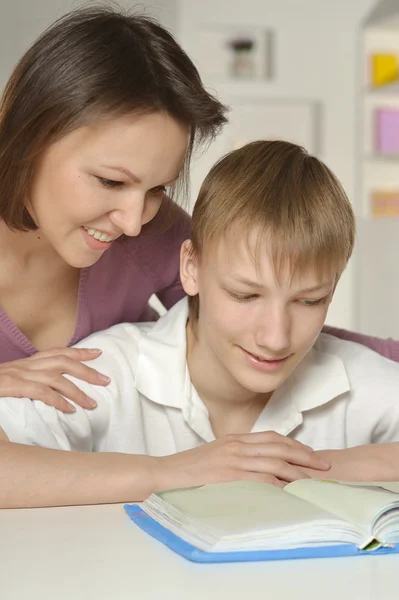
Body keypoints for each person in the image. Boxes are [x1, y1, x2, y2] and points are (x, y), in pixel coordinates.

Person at [1, 139, 399, 509]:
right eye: (245, 295)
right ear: (190, 267)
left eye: (310, 301)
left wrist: (297, 470)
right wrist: (176, 472)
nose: (275, 338)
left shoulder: (356, 375)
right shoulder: (106, 372)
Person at [0, 5, 226, 411]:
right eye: (111, 181)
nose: (134, 223)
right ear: (29, 138)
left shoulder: (162, 236)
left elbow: (258, 320)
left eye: (157, 188)